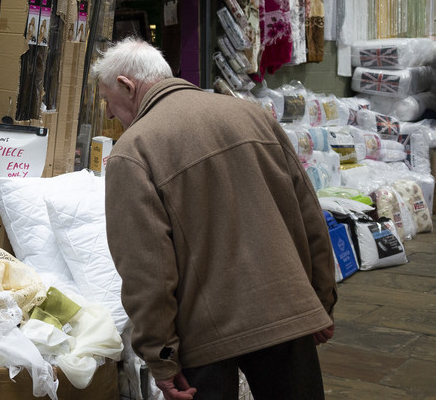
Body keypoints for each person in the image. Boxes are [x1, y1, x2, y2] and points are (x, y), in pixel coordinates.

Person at [93, 39, 336, 400]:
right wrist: (320, 300)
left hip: (206, 336)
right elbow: (309, 214)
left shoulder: (132, 152)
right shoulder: (252, 115)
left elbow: (148, 270)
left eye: (109, 102)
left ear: (128, 86)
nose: (111, 115)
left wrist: (161, 356)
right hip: (288, 311)